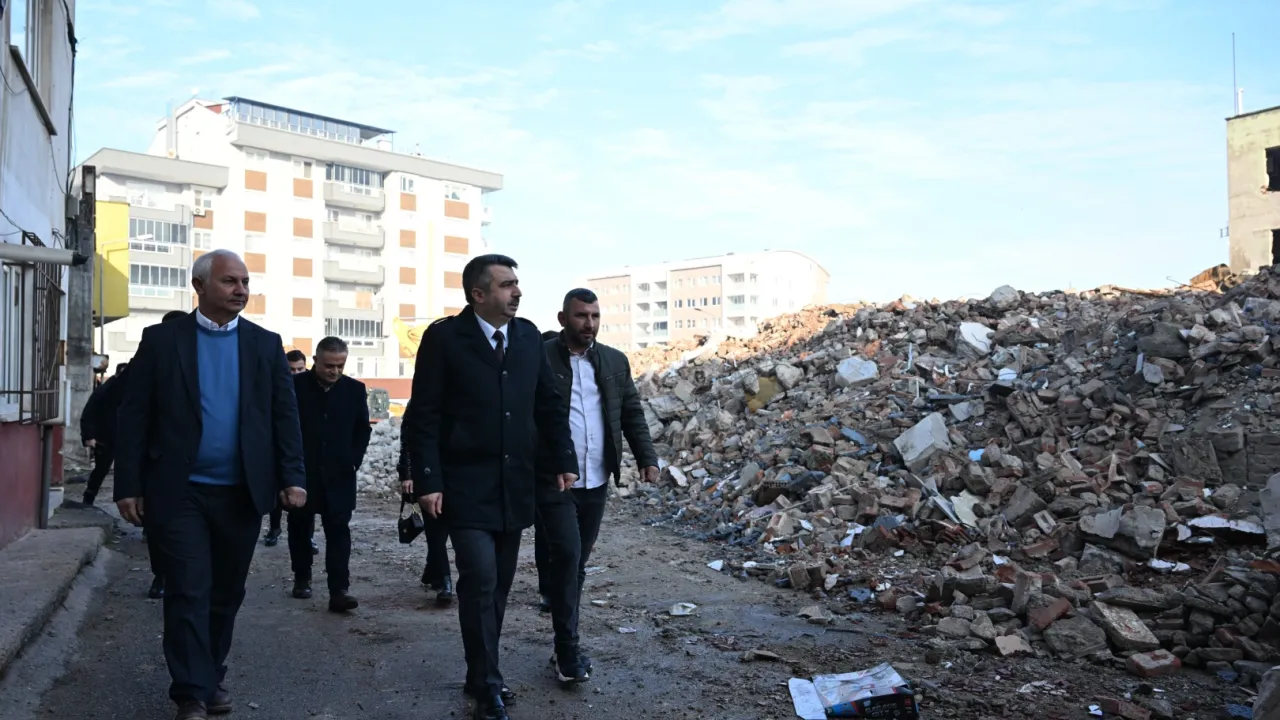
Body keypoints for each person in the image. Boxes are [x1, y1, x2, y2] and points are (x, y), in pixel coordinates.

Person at [114, 249, 307, 720]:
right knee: (187, 589)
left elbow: (284, 416)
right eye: (230, 281)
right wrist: (128, 485)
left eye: (245, 282)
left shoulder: (264, 344)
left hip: (241, 492)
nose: (241, 290)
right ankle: (191, 693)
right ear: (199, 286)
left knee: (226, 593)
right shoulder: (162, 340)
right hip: (179, 490)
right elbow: (135, 414)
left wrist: (293, 476)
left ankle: (210, 674)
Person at [402, 253, 577, 720]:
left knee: (497, 585)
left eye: (516, 283)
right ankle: (487, 686)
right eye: (506, 285)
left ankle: (480, 672)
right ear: (478, 294)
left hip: (514, 485)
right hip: (464, 485)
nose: (516, 292)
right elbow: (424, 416)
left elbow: (548, 404)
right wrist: (428, 480)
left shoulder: (527, 336)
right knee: (479, 579)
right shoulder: (444, 338)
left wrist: (563, 460)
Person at [535, 289, 660, 685]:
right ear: (562, 319)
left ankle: (563, 634)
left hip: (596, 478)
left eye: (594, 316)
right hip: (554, 478)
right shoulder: (540, 358)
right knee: (567, 556)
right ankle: (567, 650)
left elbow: (631, 412)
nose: (588, 324)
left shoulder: (614, 361)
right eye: (580, 316)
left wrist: (647, 458)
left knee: (576, 564)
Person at [288, 336, 371, 612]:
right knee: (300, 527)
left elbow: (362, 430)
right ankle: (302, 578)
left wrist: (353, 461)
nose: (334, 371)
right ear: (316, 361)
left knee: (338, 532)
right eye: (329, 366)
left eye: (340, 366)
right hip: (303, 474)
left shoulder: (354, 390)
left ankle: (339, 589)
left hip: (340, 475)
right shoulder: (295, 387)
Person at [397, 412, 453, 606]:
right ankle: (445, 581)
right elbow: (409, 438)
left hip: (457, 473)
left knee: (445, 529)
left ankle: (433, 570)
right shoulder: (424, 403)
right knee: (435, 529)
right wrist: (407, 474)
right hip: (429, 473)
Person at [265, 349, 316, 550]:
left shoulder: (310, 388)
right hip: (280, 447)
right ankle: (274, 529)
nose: (296, 374)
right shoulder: (276, 386)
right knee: (278, 491)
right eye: (291, 370)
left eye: (300, 369)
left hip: (305, 448)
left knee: (305, 496)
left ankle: (308, 536)